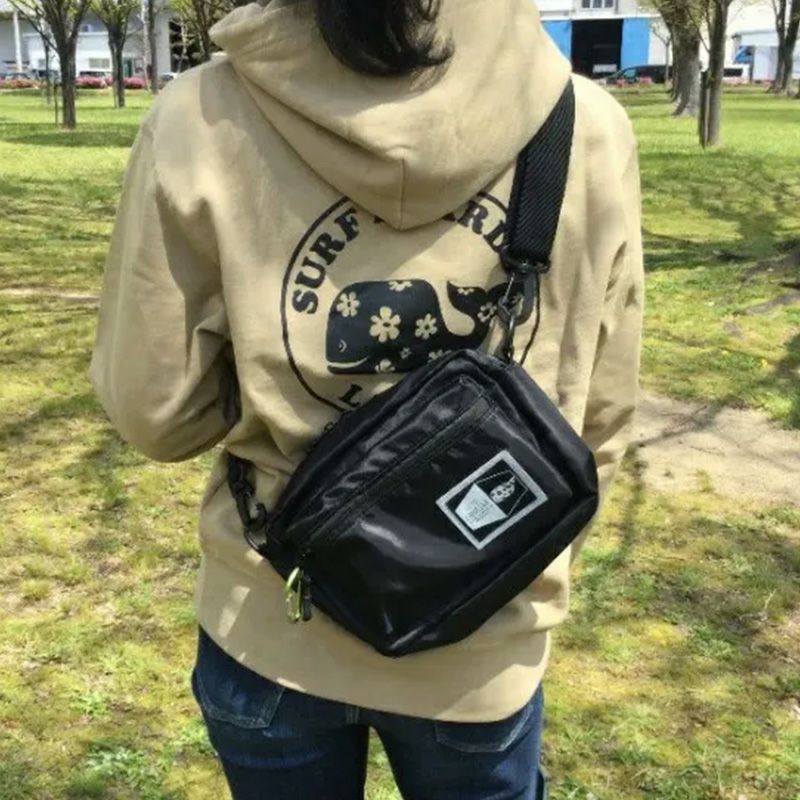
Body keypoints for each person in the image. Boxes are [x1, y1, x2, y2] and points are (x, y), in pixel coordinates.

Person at [90, 0, 644, 797]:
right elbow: (601, 419)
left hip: (272, 616)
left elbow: (156, 414)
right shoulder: (587, 125)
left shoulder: (202, 117)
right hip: (481, 636)